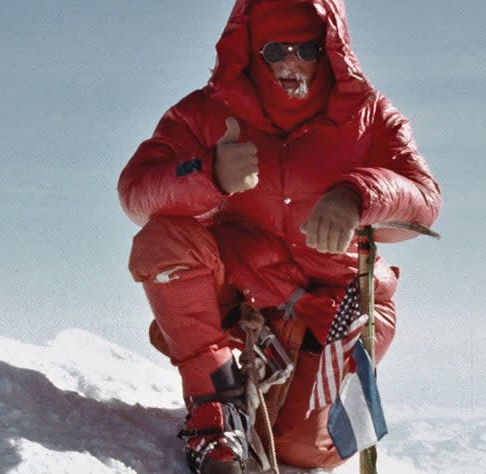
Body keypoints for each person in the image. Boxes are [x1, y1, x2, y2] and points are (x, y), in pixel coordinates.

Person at [118, 0, 441, 472]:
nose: (291, 62)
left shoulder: (371, 114)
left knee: (302, 451)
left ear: (330, 47)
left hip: (334, 306)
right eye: (275, 50)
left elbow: (424, 199)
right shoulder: (207, 112)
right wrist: (207, 174)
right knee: (164, 241)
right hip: (244, 294)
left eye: (306, 48)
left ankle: (263, 402)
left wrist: (358, 194)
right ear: (250, 51)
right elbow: (135, 192)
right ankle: (216, 412)